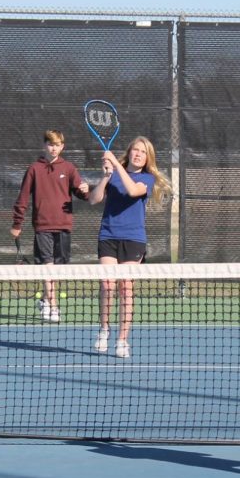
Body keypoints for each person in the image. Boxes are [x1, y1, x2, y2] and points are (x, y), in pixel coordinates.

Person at [87, 136, 170, 358]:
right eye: (135, 150)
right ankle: (104, 329)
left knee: (126, 287)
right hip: (108, 236)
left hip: (133, 239)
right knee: (107, 284)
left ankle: (122, 339)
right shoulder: (113, 173)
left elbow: (133, 191)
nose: (138, 154)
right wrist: (105, 177)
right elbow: (93, 199)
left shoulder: (147, 178)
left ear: (147, 157)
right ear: (130, 152)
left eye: (143, 152)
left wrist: (115, 165)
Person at [11, 129, 89, 322]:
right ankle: (54, 307)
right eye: (50, 144)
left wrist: (85, 190)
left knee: (58, 270)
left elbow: (81, 193)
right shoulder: (34, 169)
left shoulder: (69, 168)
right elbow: (22, 198)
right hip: (42, 227)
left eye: (57, 145)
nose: (54, 148)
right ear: (44, 145)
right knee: (48, 267)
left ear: (62, 146)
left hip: (64, 226)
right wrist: (17, 223)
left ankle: (46, 300)